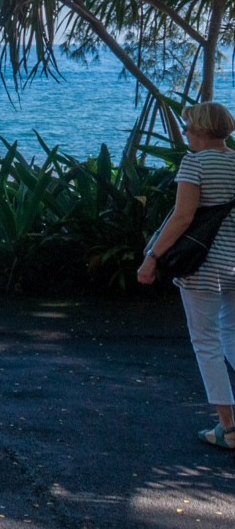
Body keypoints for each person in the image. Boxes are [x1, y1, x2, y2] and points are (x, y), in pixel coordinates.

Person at [139, 102, 235, 448]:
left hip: (203, 265)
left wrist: (152, 258)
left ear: (202, 129)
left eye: (189, 126)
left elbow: (182, 217)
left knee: (206, 342)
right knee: (232, 335)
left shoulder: (195, 163)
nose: (185, 132)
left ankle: (228, 427)